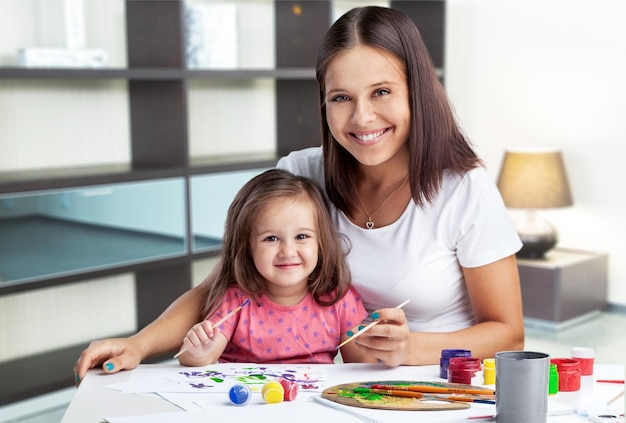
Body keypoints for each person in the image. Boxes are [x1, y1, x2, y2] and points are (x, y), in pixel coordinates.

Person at [74, 6, 524, 384]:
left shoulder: (464, 188)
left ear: (417, 93)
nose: (362, 117)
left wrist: (411, 348)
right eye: (341, 97)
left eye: (382, 92)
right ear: (323, 102)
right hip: (333, 383)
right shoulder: (300, 174)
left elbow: (509, 334)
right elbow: (221, 287)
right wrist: (138, 344)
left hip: (433, 381)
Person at [176, 168, 375, 366]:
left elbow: (363, 365)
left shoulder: (340, 299)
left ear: (321, 242)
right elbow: (202, 358)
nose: (288, 251)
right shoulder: (234, 300)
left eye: (302, 236)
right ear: (247, 247)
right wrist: (197, 351)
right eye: (271, 238)